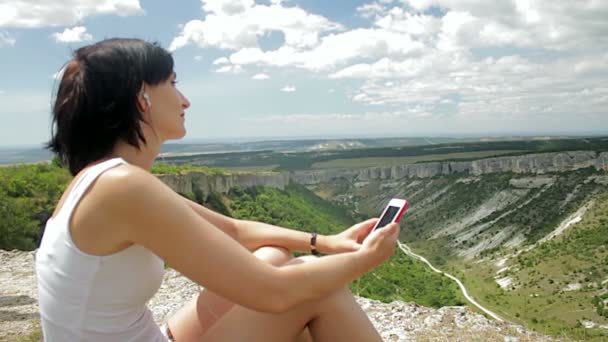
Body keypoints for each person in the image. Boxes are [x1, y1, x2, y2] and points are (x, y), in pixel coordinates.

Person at [36, 38, 400, 342]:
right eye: (173, 83)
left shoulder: (105, 180)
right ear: (141, 97)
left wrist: (328, 242)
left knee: (274, 256)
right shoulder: (122, 186)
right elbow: (273, 293)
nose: (185, 100)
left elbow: (234, 230)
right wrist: (364, 260)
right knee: (317, 292)